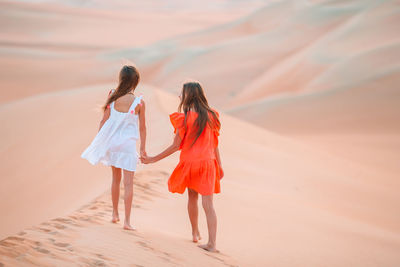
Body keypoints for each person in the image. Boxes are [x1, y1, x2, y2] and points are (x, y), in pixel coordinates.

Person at [141, 81, 223, 252]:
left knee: (192, 198)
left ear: (189, 96)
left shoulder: (184, 119)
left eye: (182, 93)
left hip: (190, 163)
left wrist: (152, 159)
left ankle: (195, 233)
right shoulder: (212, 116)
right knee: (208, 205)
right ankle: (212, 244)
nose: (179, 96)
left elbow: (175, 146)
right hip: (208, 163)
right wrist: (219, 165)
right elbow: (215, 144)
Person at [81, 65, 146, 230]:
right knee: (129, 183)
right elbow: (143, 128)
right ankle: (127, 221)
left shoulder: (112, 95)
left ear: (121, 79)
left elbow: (104, 120)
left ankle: (114, 214)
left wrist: (99, 140)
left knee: (115, 180)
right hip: (127, 146)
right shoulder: (139, 102)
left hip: (112, 144)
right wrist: (143, 149)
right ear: (136, 81)